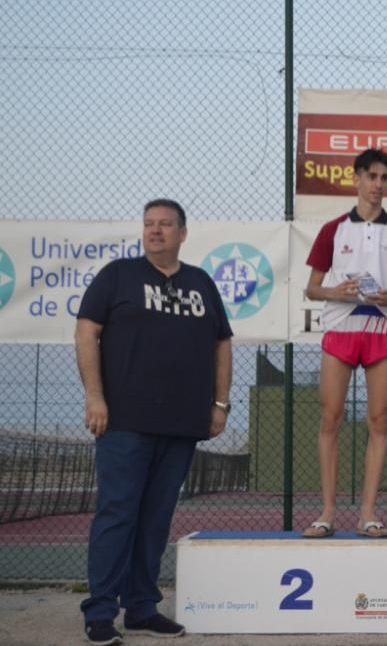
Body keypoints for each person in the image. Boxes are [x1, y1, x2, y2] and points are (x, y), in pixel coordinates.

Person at [75, 199, 233, 645]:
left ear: (183, 233)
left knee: (156, 519)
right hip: (123, 421)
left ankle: (142, 608)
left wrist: (219, 404)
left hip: (182, 423)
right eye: (149, 225)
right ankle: (101, 611)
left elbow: (222, 343)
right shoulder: (117, 276)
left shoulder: (201, 282)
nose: (155, 231)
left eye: (165, 225)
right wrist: (95, 396)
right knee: (117, 514)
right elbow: (86, 331)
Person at [301, 148, 387, 538]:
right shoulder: (333, 229)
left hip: (380, 329)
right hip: (340, 327)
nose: (378, 185)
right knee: (330, 418)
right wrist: (335, 291)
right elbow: (311, 288)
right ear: (356, 179)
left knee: (378, 421)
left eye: (384, 177)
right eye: (371, 176)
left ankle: (368, 513)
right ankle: (327, 513)